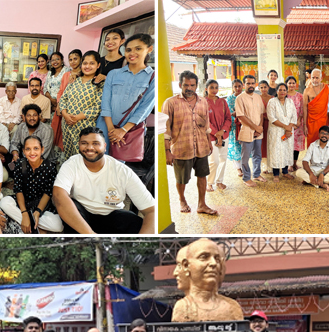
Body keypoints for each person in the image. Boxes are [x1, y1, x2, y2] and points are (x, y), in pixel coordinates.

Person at [51, 128, 156, 234]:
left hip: (111, 216)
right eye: (84, 143)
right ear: (79, 145)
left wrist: (140, 240)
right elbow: (58, 195)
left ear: (105, 146)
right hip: (81, 217)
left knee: (133, 221)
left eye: (96, 143)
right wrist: (91, 234)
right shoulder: (71, 164)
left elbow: (152, 210)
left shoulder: (122, 171)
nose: (90, 148)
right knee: (69, 209)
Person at [100, 34, 156, 169]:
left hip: (129, 130)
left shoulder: (153, 77)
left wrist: (123, 130)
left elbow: (145, 108)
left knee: (116, 167)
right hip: (104, 124)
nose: (132, 53)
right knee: (97, 160)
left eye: (138, 49)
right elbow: (105, 101)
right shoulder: (114, 74)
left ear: (149, 49)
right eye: (128, 50)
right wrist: (111, 129)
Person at [163, 71, 215, 216]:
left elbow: (206, 124)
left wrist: (209, 142)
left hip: (201, 146)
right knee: (182, 179)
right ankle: (182, 200)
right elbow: (166, 129)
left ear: (197, 85)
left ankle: (202, 204)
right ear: (180, 85)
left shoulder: (203, 101)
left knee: (202, 175)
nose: (189, 88)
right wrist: (167, 151)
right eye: (186, 85)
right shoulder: (170, 103)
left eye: (192, 85)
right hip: (181, 148)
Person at [59, 51, 104, 158]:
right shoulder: (74, 80)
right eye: (85, 63)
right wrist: (65, 115)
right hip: (67, 124)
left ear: (98, 65)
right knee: (68, 155)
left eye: (92, 63)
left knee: (84, 154)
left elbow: (97, 107)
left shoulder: (100, 84)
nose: (87, 66)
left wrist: (76, 118)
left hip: (84, 126)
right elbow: (63, 99)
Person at [235, 76, 266, 185]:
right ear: (244, 84)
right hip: (247, 131)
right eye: (248, 83)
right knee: (245, 157)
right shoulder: (240, 98)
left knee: (257, 155)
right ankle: (246, 178)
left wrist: (260, 127)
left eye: (253, 83)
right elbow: (241, 116)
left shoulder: (258, 97)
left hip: (259, 132)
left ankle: (256, 174)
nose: (251, 85)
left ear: (255, 84)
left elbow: (261, 113)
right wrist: (256, 127)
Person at [203, 79, 232, 191]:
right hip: (210, 136)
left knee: (223, 159)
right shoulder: (203, 102)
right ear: (206, 89)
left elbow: (228, 118)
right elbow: (205, 120)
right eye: (211, 87)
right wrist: (216, 133)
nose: (214, 90)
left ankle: (219, 181)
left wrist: (222, 131)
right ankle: (210, 182)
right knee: (213, 161)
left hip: (224, 134)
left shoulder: (223, 102)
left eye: (216, 87)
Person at [268, 83, 299, 180]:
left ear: (286, 91)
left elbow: (294, 115)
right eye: (280, 90)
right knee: (276, 151)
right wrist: (286, 127)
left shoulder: (290, 101)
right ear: (276, 91)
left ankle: (285, 172)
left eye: (284, 90)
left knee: (287, 150)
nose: (282, 92)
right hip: (276, 131)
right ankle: (276, 174)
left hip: (288, 132)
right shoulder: (272, 102)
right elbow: (271, 118)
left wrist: (289, 129)